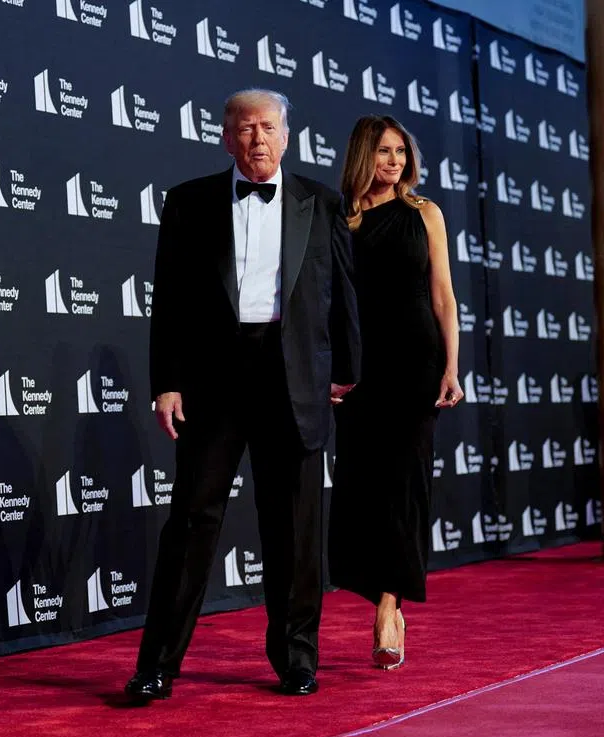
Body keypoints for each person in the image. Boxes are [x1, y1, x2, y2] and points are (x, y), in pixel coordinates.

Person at [124, 89, 361, 702]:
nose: (258, 138)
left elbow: (342, 294)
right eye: (245, 128)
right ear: (226, 138)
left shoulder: (322, 201)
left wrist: (347, 369)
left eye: (268, 127)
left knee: (295, 526)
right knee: (193, 521)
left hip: (295, 378)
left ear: (287, 136)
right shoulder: (189, 203)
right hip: (214, 379)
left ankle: (297, 660)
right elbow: (169, 301)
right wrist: (167, 382)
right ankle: (157, 666)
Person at [328, 115, 462, 670]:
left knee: (406, 483)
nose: (395, 163)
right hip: (361, 369)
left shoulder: (424, 213)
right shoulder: (339, 218)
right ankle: (377, 589)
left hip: (415, 363)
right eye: (384, 153)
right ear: (363, 155)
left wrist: (452, 366)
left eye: (401, 154)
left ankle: (389, 607)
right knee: (363, 487)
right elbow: (325, 302)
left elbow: (444, 297)